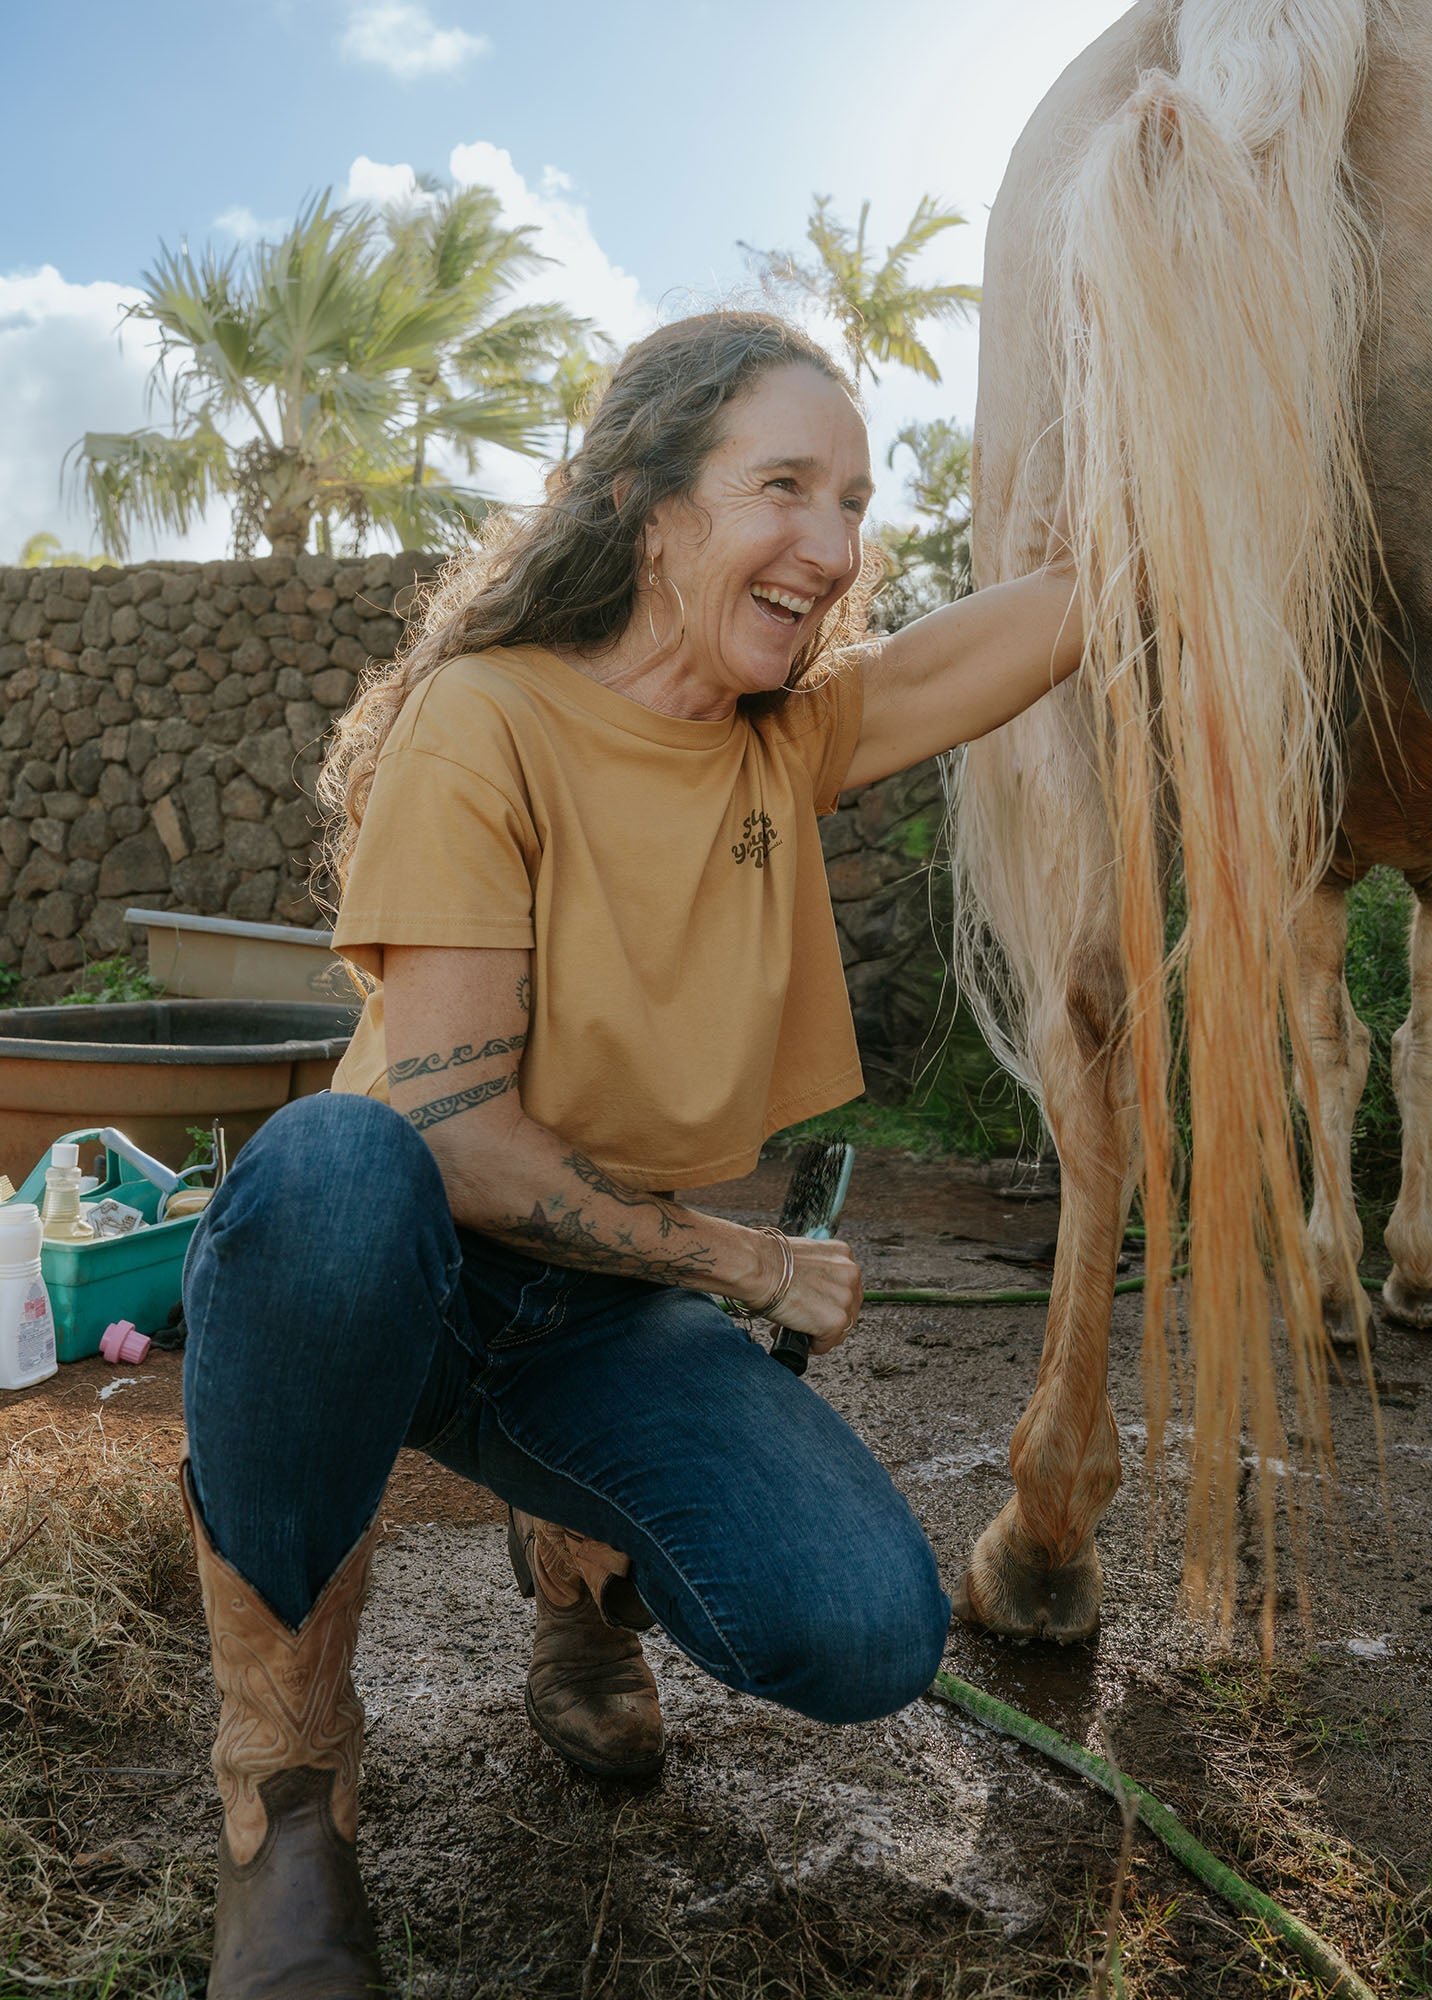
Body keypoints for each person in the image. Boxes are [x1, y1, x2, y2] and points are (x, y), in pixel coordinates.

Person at [178, 310, 1084, 1999]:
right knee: (331, 1170)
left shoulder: (781, 736)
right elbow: (451, 1130)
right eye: (786, 487)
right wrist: (749, 1264)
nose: (834, 546)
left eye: (859, 502)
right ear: (646, 504)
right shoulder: (487, 719)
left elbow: (1002, 645)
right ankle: (286, 1810)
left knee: (868, 1630)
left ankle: (576, 1577)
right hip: (407, 1258)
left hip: (593, 1303)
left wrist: (1187, 529)